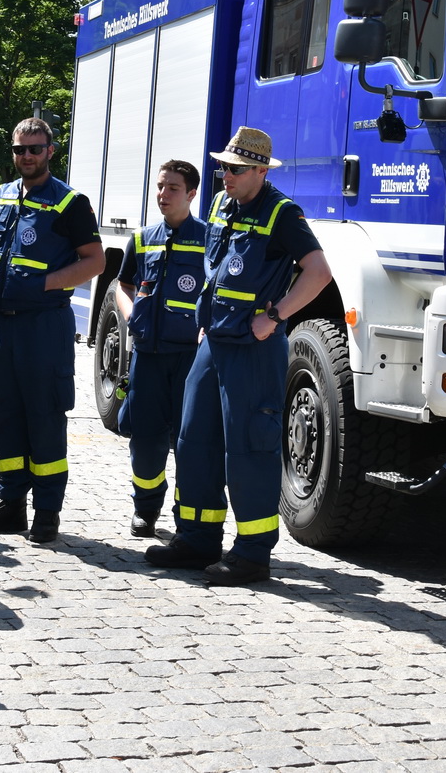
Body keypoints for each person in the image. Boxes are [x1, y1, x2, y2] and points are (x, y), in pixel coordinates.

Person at [145, 127, 331, 586]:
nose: (225, 174)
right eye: (224, 166)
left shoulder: (283, 213)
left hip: (253, 347)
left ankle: (251, 553)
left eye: (236, 168)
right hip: (214, 342)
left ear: (261, 171)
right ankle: (197, 538)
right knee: (194, 440)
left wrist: (277, 314)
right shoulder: (221, 204)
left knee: (249, 448)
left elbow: (319, 272)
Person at [0, 118, 104, 544]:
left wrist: (42, 283)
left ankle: (47, 511)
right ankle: (11, 505)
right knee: (5, 420)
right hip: (1, 329)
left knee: (44, 420)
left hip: (45, 329)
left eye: (35, 149)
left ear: (51, 151)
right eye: (20, 149)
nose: (27, 156)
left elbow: (95, 261)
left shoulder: (70, 202)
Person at [112, 160, 206, 538]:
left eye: (173, 188)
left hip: (190, 358)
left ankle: (188, 514)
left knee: (190, 439)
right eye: (160, 186)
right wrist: (132, 314)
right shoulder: (142, 238)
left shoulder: (210, 238)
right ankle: (146, 510)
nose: (163, 195)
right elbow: (123, 285)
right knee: (146, 439)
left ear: (192, 194)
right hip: (148, 356)